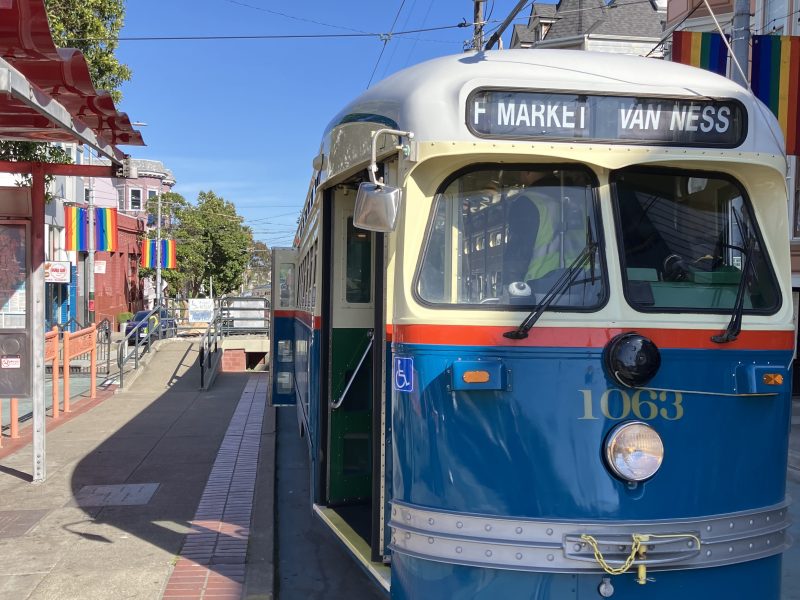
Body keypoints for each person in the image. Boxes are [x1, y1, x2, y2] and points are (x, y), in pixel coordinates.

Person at [503, 170, 585, 287]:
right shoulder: (583, 202)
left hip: (541, 289)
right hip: (585, 285)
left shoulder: (527, 203)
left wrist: (510, 288)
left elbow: (518, 253)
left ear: (527, 172)